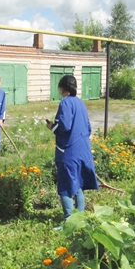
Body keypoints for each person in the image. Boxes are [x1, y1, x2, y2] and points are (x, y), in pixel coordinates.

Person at [47, 75, 99, 229]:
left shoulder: (65, 103)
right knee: (78, 185)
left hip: (69, 151)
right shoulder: (81, 103)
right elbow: (88, 128)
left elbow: (64, 126)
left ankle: (69, 222)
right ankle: (81, 218)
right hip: (84, 149)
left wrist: (52, 127)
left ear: (62, 89)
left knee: (65, 186)